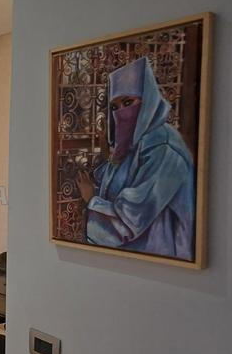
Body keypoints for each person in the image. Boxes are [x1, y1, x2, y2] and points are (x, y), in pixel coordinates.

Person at [76, 57, 195, 260]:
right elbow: (112, 180)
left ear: (147, 99)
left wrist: (92, 200)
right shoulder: (133, 141)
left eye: (128, 102)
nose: (122, 113)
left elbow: (129, 219)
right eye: (115, 107)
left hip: (161, 262)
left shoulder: (164, 149)